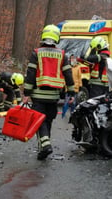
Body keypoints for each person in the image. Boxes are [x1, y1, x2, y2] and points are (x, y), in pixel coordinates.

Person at [22, 24, 75, 161]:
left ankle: (45, 146)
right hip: (54, 96)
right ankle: (44, 147)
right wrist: (71, 93)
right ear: (57, 37)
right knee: (48, 120)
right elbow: (68, 74)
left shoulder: (37, 53)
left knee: (39, 122)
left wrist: (27, 93)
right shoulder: (62, 55)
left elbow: (31, 73)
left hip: (38, 95)